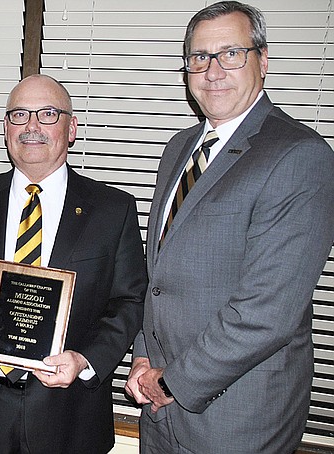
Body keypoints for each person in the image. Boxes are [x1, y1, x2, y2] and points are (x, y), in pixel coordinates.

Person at [124, 2, 334, 452]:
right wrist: (143, 354)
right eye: (199, 57)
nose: (213, 70)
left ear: (263, 60)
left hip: (239, 415)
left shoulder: (298, 155)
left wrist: (173, 381)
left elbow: (268, 312)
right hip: (160, 407)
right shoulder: (179, 148)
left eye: (231, 53)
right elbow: (159, 280)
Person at [0, 74, 147, 454]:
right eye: (19, 115)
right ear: (5, 129)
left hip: (68, 413)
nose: (31, 126)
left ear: (71, 127)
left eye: (47, 114)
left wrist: (84, 360)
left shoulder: (113, 209)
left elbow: (129, 302)